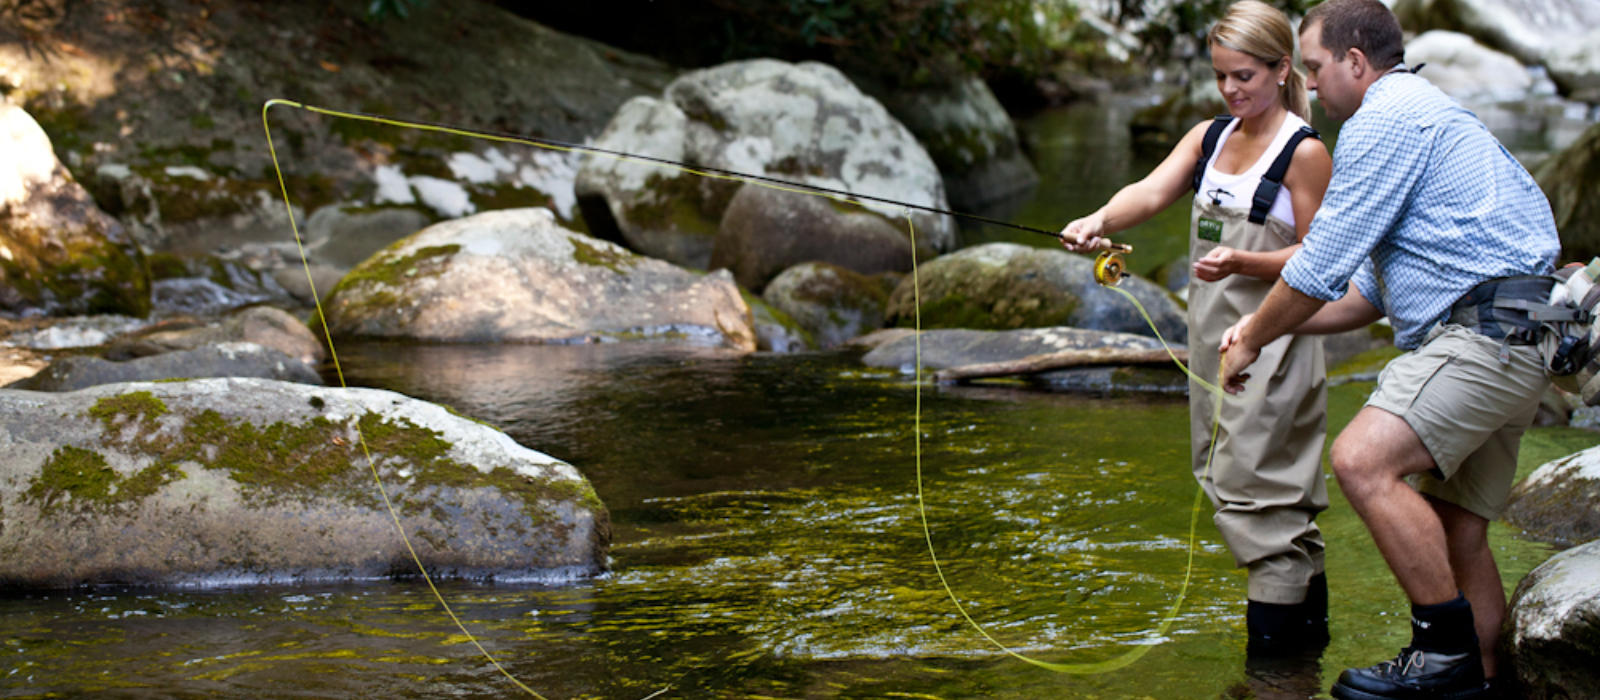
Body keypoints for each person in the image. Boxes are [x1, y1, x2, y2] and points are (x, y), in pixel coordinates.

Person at [1218, 0, 1561, 697]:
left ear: (1355, 61)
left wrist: (1252, 336)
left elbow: (1319, 264)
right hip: (1525, 337)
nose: (1309, 84)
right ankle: (1484, 681)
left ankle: (1442, 653)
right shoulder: (1428, 111)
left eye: (1314, 67)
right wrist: (1269, 326)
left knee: (1361, 460)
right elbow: (1366, 295)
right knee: (1456, 527)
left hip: (1483, 336)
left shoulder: (1383, 119)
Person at [1059, 0, 1334, 655]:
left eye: (1244, 76)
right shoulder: (1210, 137)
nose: (1230, 89)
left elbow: (1324, 256)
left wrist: (1245, 261)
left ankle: (1272, 669)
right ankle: (1306, 659)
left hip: (1273, 346)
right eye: (1220, 76)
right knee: (1233, 483)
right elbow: (1151, 192)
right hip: (1211, 347)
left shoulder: (1304, 152)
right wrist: (1099, 220)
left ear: (1282, 69)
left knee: (1254, 494)